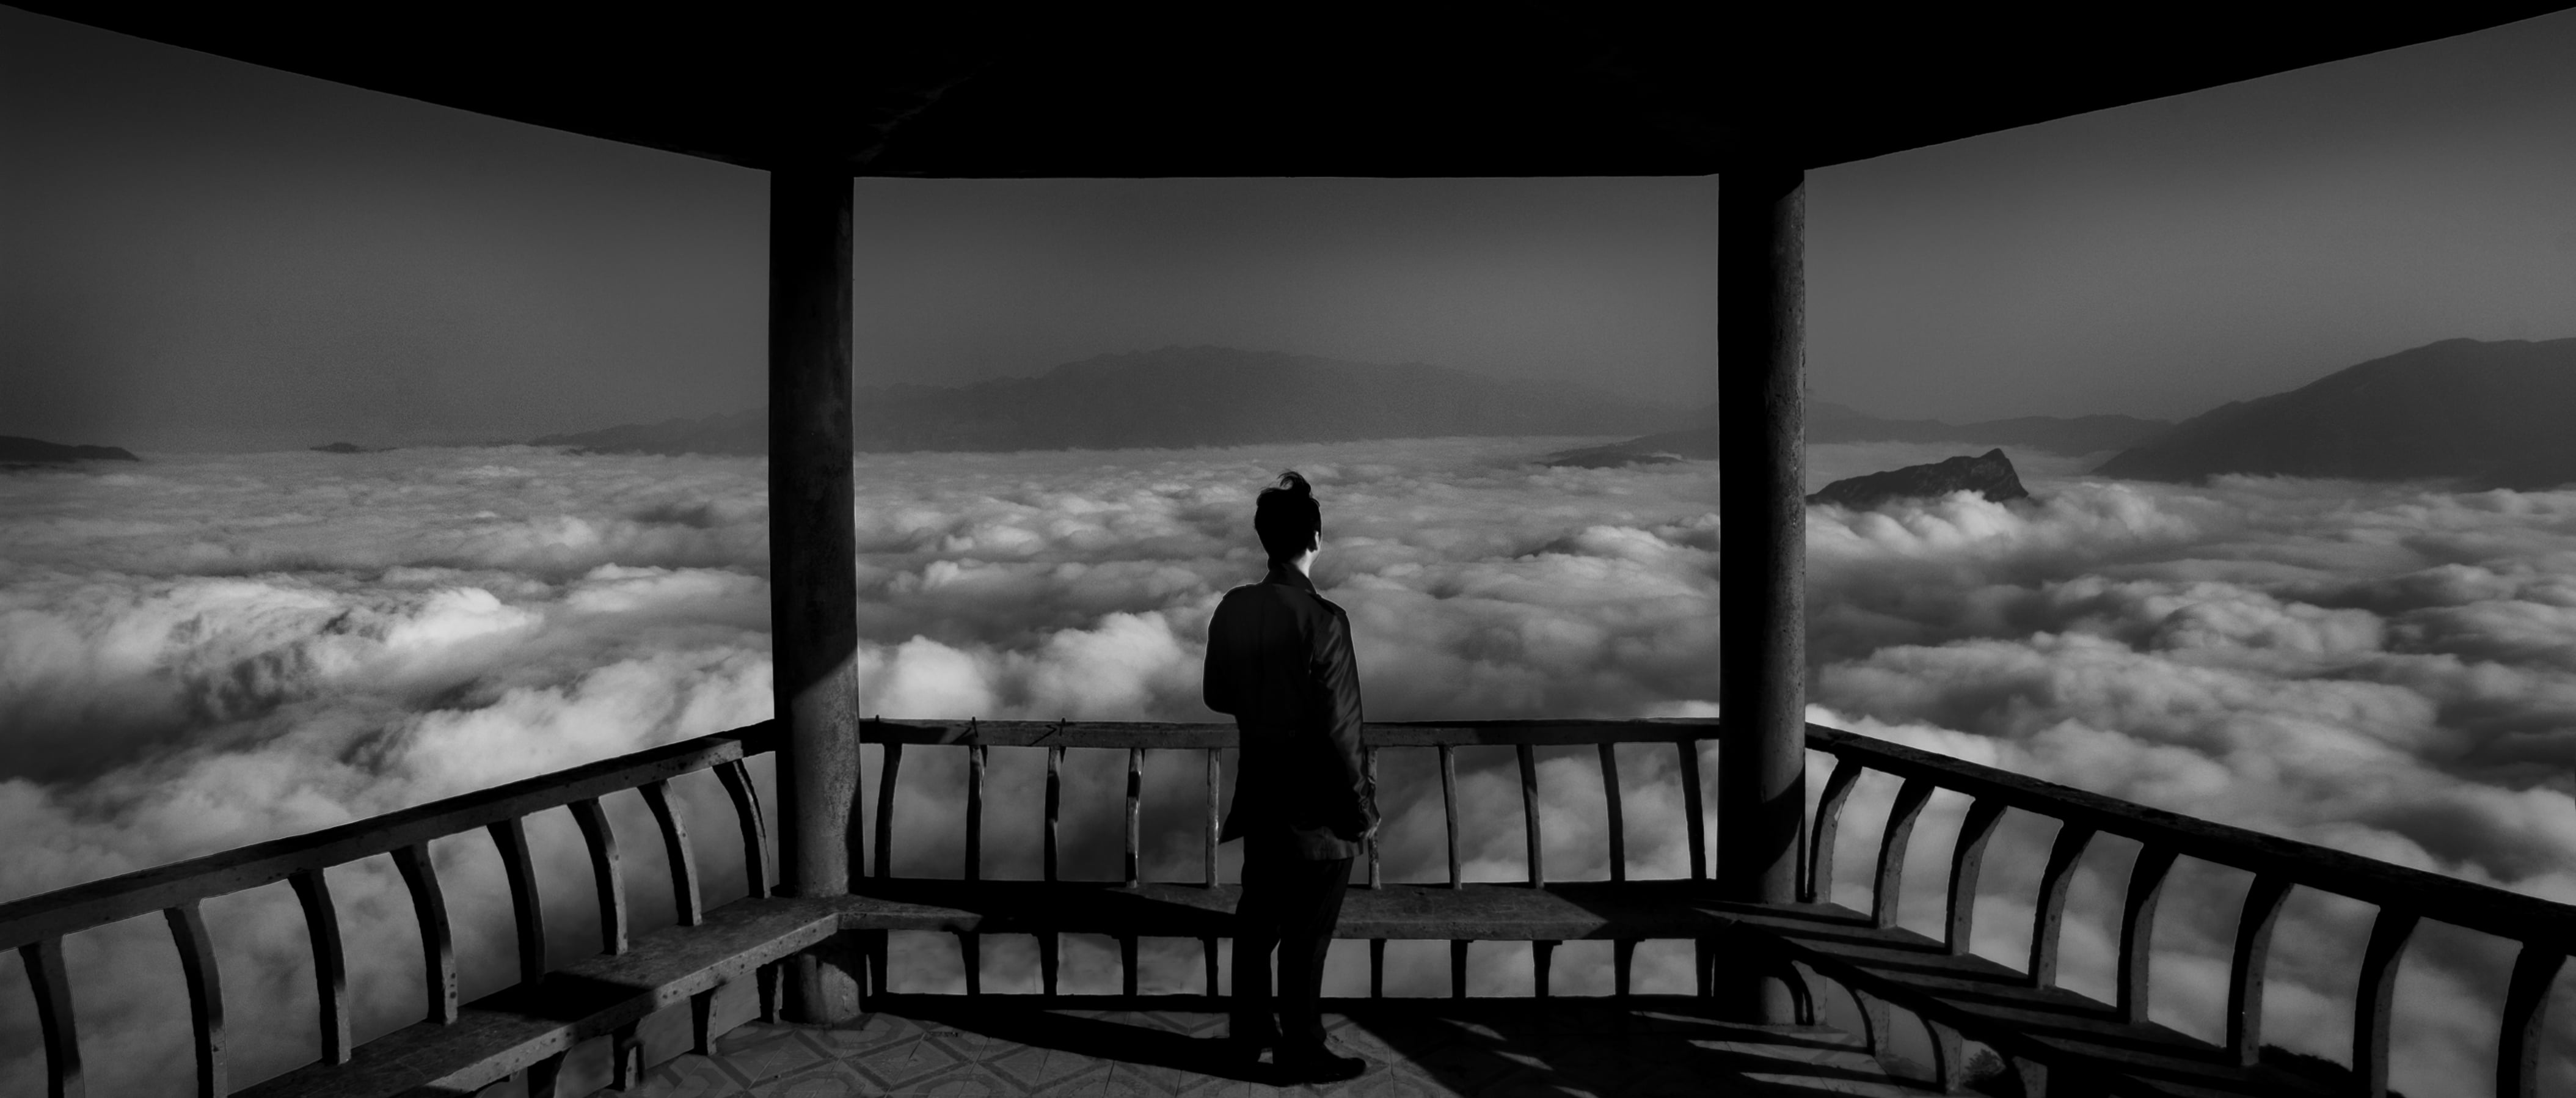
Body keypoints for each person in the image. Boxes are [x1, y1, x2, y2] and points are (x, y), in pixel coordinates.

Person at [1202, 471, 1376, 1084]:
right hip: (1318, 811)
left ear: (1263, 540)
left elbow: (1215, 693)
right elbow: (1341, 731)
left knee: (1257, 926)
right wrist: (1359, 808)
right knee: (1305, 938)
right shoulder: (1325, 621)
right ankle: (1301, 1048)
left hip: (1261, 799)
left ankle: (1247, 1037)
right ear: (1316, 537)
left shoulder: (1232, 608)